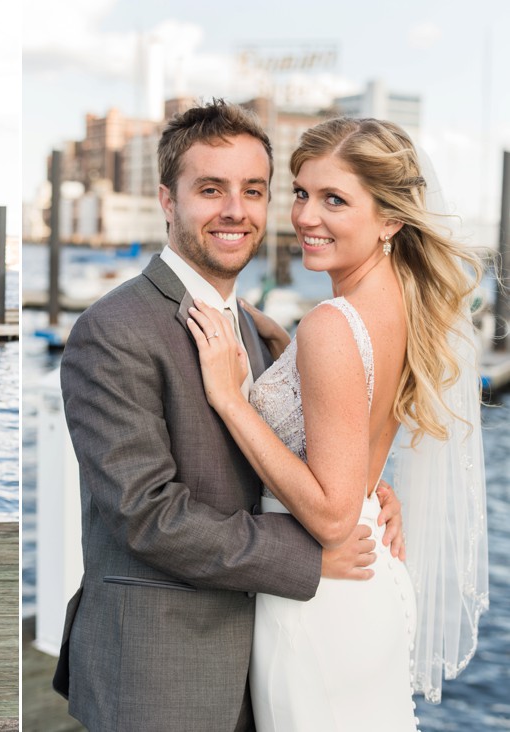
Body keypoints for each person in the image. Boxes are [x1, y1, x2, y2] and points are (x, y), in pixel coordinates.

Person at [54, 100, 405, 731]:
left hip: (266, 659)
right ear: (168, 199)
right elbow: (147, 515)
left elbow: (294, 445)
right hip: (163, 672)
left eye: (253, 190)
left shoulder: (255, 326)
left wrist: (364, 488)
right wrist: (309, 557)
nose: (235, 211)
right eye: (210, 189)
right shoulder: (113, 330)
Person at [187, 117, 488, 729]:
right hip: (367, 583)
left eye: (335, 200)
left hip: (319, 607)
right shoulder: (402, 303)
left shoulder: (331, 324)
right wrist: (283, 352)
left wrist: (231, 397)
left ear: (390, 219)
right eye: (301, 192)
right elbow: (352, 433)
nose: (306, 217)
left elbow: (328, 514)